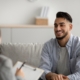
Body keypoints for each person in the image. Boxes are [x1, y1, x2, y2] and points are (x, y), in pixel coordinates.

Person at [39, 11, 80, 80]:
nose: (57, 29)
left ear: (70, 27)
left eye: (61, 25)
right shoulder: (48, 45)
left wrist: (66, 78)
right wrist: (52, 75)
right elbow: (43, 69)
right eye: (55, 25)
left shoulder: (78, 44)